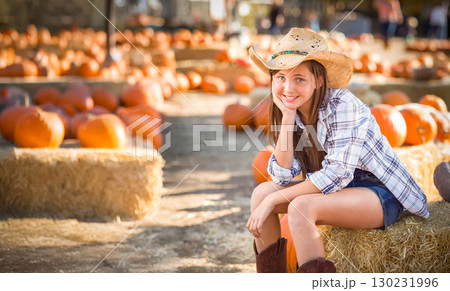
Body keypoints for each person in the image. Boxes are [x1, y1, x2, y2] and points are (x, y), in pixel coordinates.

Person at [246, 28, 429, 273]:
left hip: (376, 191)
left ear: (318, 80)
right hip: (334, 189)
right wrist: (287, 118)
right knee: (260, 195)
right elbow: (282, 176)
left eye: (299, 78)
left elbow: (336, 175)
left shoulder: (344, 105)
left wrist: (274, 199)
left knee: (300, 209)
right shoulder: (291, 109)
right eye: (280, 77)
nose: (287, 88)